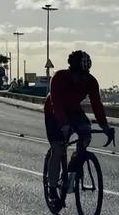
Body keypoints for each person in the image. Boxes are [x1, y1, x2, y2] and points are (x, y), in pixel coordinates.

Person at [44, 50, 115, 204]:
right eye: (79, 74)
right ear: (71, 70)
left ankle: (75, 162)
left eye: (85, 74)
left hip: (74, 110)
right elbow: (56, 103)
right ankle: (52, 188)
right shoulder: (59, 78)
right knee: (58, 149)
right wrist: (64, 124)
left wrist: (105, 126)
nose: (82, 78)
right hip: (54, 111)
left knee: (86, 135)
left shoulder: (90, 81)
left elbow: (97, 104)